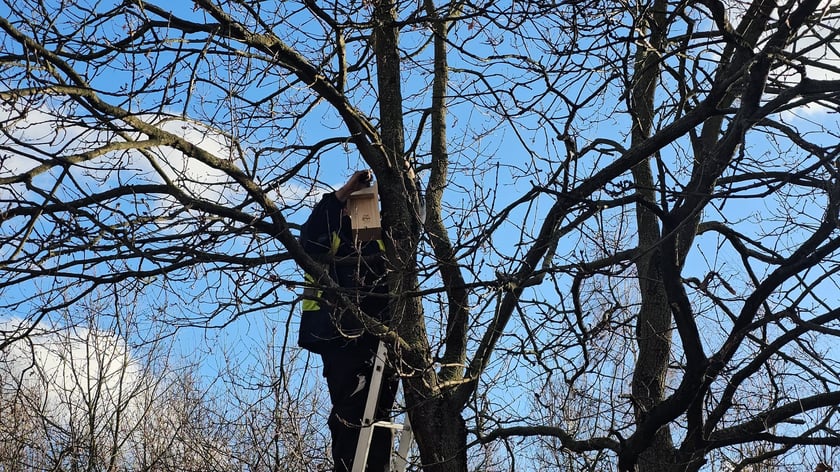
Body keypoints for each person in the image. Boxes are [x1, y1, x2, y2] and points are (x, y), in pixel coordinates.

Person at [298, 170, 398, 472]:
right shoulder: (328, 239)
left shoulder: (381, 241)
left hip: (379, 340)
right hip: (339, 337)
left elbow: (411, 228)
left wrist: (404, 185)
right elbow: (309, 236)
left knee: (380, 414)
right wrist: (345, 191)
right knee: (351, 411)